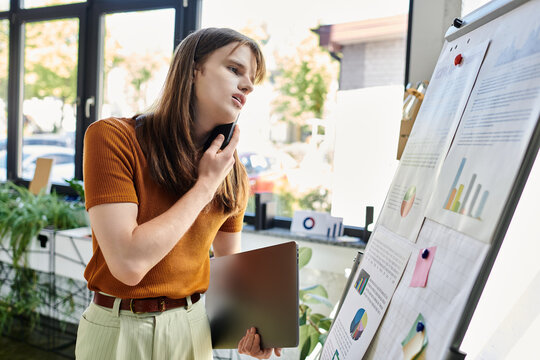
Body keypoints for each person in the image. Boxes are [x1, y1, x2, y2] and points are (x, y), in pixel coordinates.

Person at [76, 27, 282, 360]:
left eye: (252, 78)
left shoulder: (232, 171)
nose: (248, 84)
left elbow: (230, 263)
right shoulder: (113, 138)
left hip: (193, 330)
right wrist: (204, 186)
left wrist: (254, 328)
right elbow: (128, 264)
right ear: (193, 69)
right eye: (234, 69)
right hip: (119, 330)